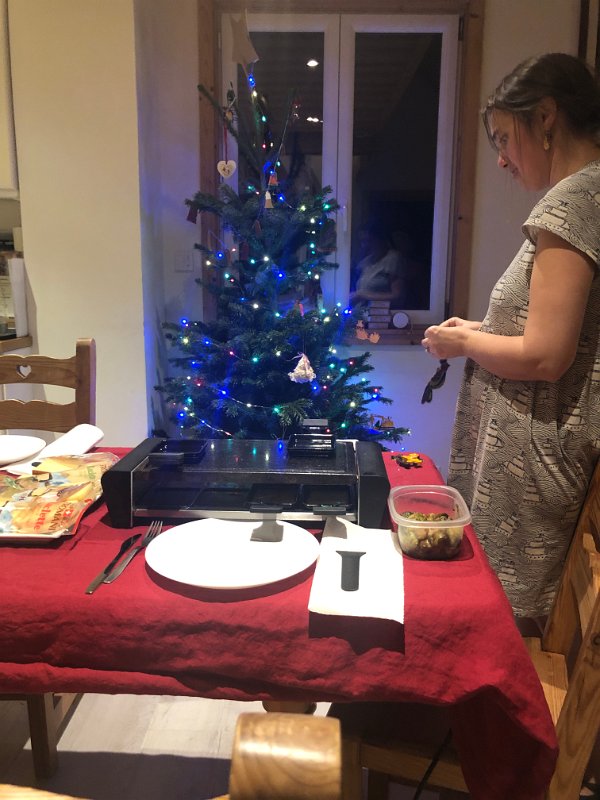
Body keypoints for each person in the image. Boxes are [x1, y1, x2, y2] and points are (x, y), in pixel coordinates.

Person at [422, 52, 600, 627]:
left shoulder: (572, 201)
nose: (500, 158)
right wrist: (475, 331)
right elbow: (556, 333)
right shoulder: (589, 195)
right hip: (538, 454)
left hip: (533, 464)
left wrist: (466, 346)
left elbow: (545, 356)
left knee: (498, 625)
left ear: (545, 117)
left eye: (504, 137)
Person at [349, 220, 407, 306]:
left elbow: (397, 296)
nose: (364, 245)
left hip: (381, 312)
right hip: (361, 312)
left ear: (379, 239)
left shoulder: (393, 258)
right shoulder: (364, 262)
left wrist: (364, 295)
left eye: (368, 240)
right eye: (362, 241)